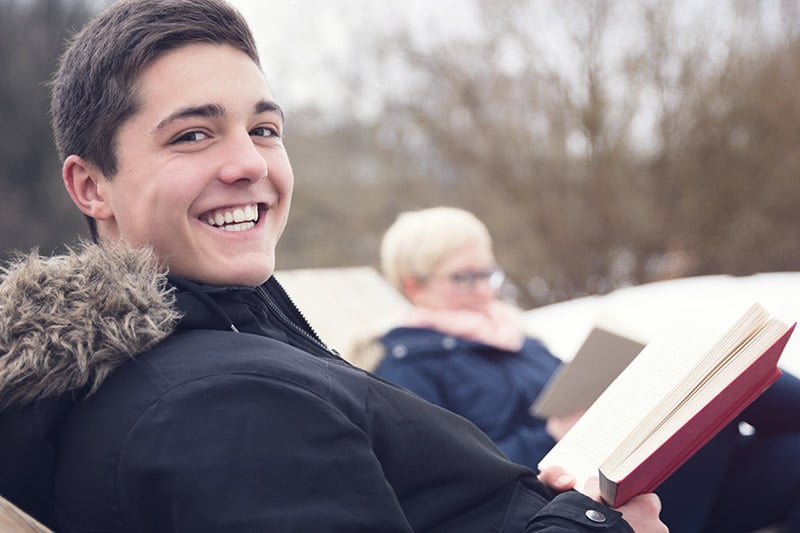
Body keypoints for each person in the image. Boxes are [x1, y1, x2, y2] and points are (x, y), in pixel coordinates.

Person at [0, 1, 667, 531]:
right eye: (192, 135)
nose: (250, 163)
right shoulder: (218, 403)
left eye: (263, 129)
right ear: (90, 186)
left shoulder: (216, 348)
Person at [373, 206, 800, 533]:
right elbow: (456, 478)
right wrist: (553, 434)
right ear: (415, 285)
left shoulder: (516, 339)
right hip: (586, 507)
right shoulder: (408, 371)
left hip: (642, 478)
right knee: (705, 395)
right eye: (465, 278)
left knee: (767, 432)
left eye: (488, 273)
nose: (484, 290)